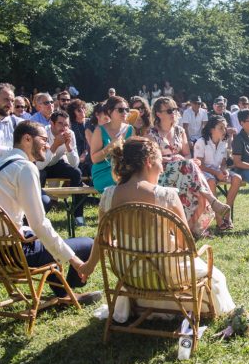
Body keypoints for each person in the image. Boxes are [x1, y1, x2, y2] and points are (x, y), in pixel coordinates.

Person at [80, 136, 235, 321]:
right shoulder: (166, 196)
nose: (162, 169)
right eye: (160, 162)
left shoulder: (107, 196)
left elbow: (101, 239)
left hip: (130, 277)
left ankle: (141, 304)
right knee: (216, 277)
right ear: (148, 162)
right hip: (166, 278)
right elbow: (186, 246)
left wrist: (88, 267)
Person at [0, 120, 100, 302]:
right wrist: (75, 261)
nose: (47, 144)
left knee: (46, 241)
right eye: (44, 139)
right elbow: (39, 224)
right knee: (87, 243)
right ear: (27, 139)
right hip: (12, 255)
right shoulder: (25, 168)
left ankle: (64, 294)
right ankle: (71, 291)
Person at [149, 96, 231, 237]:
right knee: (187, 165)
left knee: (190, 166)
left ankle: (193, 229)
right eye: (169, 110)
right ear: (158, 114)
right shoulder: (151, 134)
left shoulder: (180, 131)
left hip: (184, 172)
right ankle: (212, 201)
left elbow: (187, 154)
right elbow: (153, 160)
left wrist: (190, 160)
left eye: (174, 109)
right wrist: (175, 159)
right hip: (162, 173)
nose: (173, 113)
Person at [38, 110, 87, 226]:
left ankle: (78, 216)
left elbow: (75, 164)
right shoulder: (42, 133)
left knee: (76, 173)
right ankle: (39, 217)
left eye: (66, 124)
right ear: (52, 123)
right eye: (60, 124)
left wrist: (69, 147)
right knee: (40, 174)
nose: (64, 128)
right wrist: (55, 145)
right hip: (41, 166)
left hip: (56, 164)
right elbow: (40, 165)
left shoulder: (70, 133)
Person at [194, 116, 241, 231]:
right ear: (211, 129)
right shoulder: (201, 142)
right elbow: (199, 165)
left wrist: (224, 170)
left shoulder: (223, 142)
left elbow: (223, 163)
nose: (224, 130)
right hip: (203, 171)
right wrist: (216, 172)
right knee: (211, 181)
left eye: (225, 127)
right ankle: (220, 221)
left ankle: (226, 214)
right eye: (220, 127)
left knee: (237, 178)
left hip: (217, 171)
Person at [89, 96, 134, 193]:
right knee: (125, 181)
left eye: (127, 109)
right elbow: (94, 159)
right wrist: (110, 146)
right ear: (109, 111)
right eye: (121, 110)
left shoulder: (130, 129)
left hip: (124, 170)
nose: (125, 113)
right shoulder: (99, 130)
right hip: (104, 171)